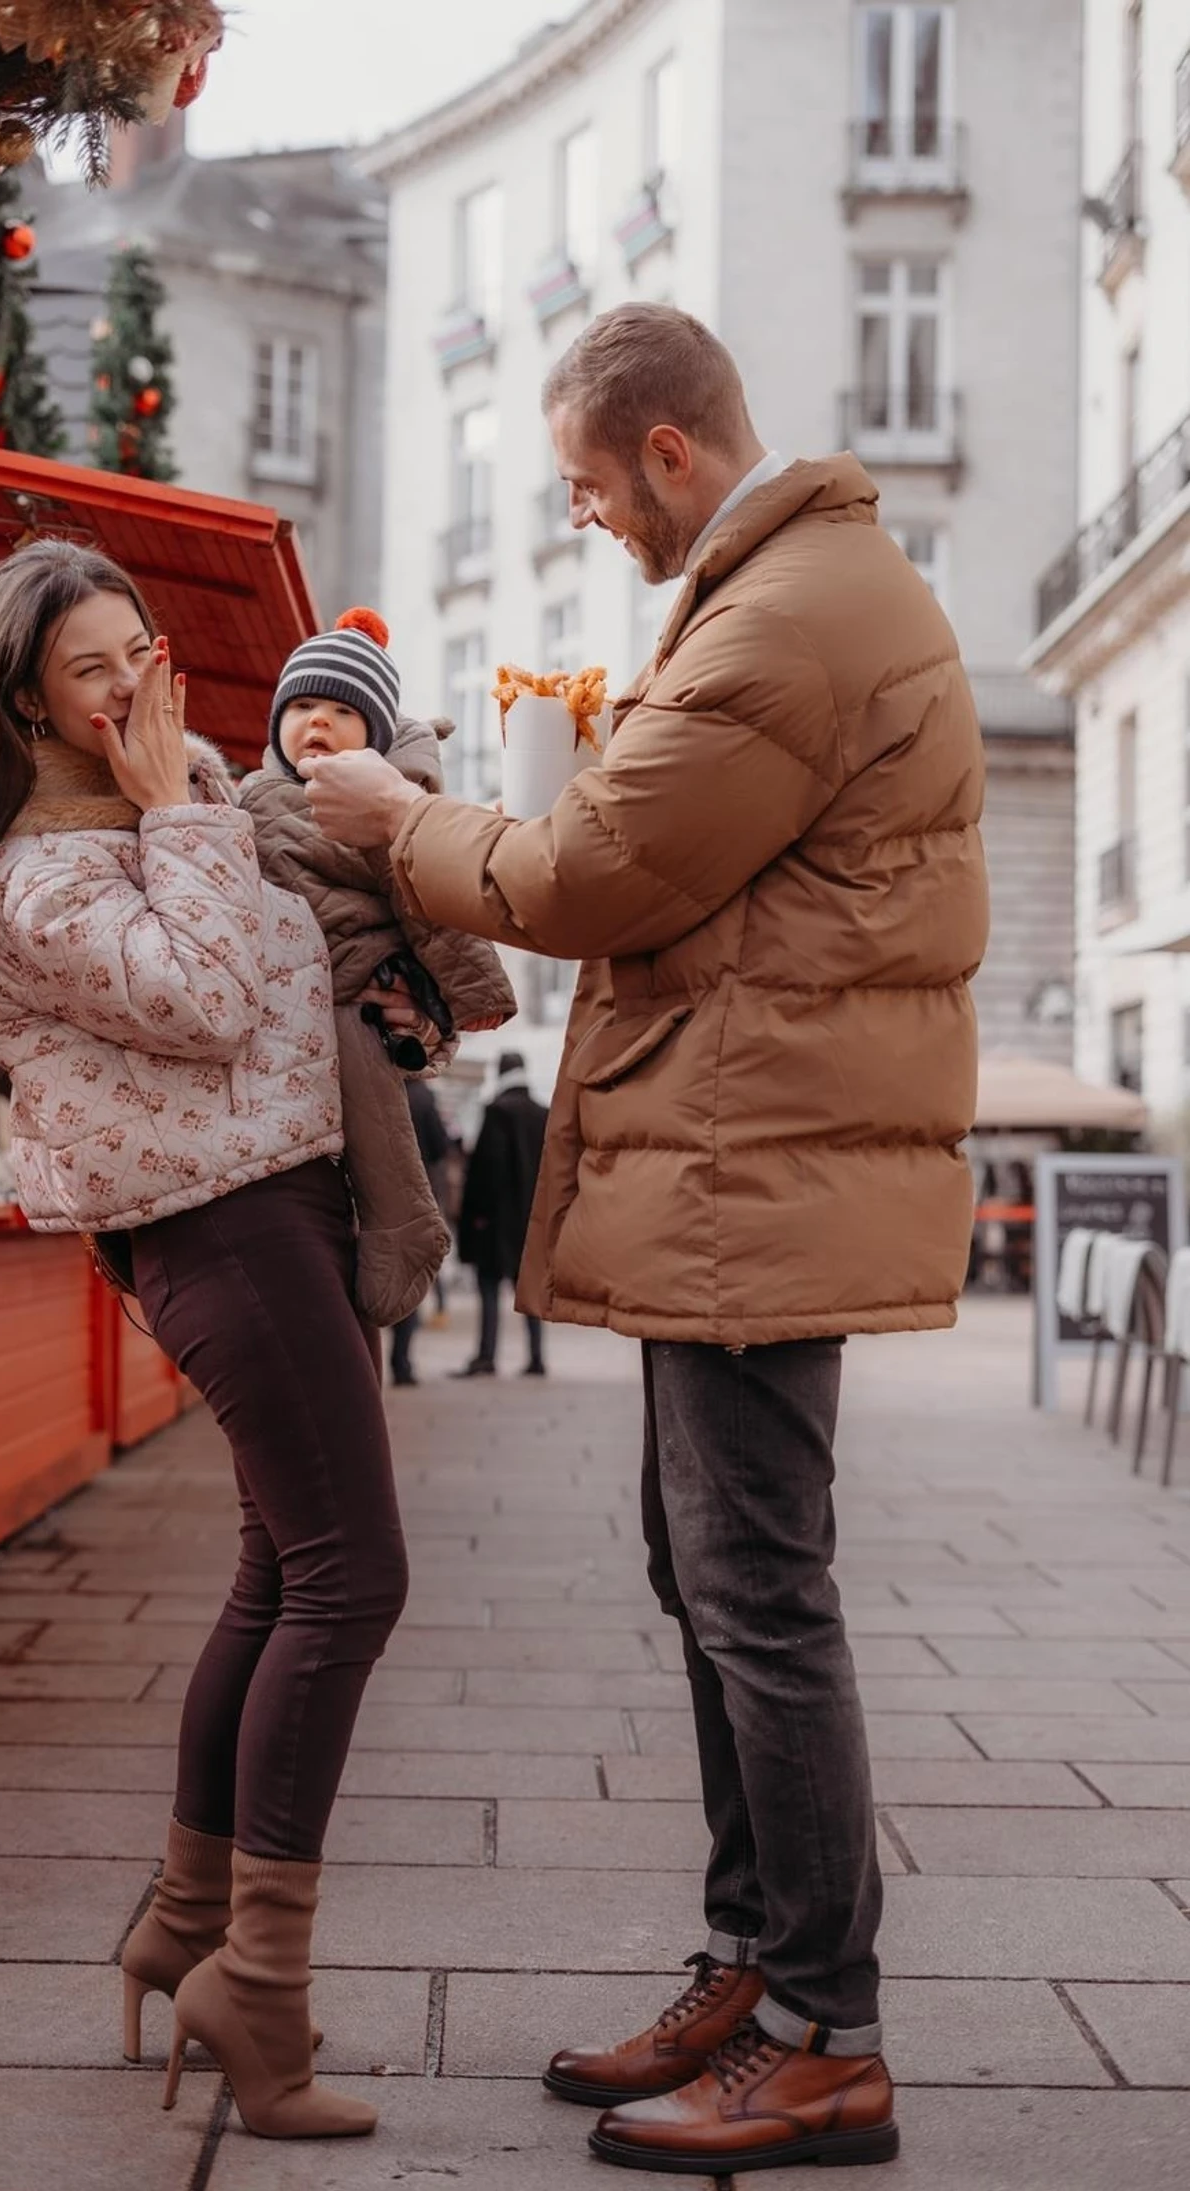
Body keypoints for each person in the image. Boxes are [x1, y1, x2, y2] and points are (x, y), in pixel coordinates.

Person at [300, 302, 988, 2176]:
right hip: (733, 1161)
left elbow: (587, 872)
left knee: (757, 1589)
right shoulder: (779, 597)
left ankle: (827, 2031)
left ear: (669, 455)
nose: (586, 517)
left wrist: (395, 816)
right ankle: (762, 1968)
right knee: (714, 1576)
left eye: (589, 486)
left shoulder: (786, 617)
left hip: (758, 1169)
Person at [0, 538, 418, 2144]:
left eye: (144, 652)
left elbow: (279, 970)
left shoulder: (164, 803)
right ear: (31, 707)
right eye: (95, 671)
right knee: (353, 1573)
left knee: (281, 1570)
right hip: (215, 1223)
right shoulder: (35, 872)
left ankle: (187, 1925)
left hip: (283, 1199)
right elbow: (202, 996)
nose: (140, 690)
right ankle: (262, 1987)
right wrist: (188, 814)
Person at [238, 607, 513, 1335]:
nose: (316, 723)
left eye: (339, 711)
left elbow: (426, 902)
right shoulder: (249, 799)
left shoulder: (377, 806)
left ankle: (404, 1221)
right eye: (300, 707)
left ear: (377, 737)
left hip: (358, 986)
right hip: (277, 1005)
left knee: (370, 1098)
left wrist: (469, 992)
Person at [453, 1050, 549, 1379]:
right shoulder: (543, 1113)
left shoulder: (496, 1112)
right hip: (533, 1220)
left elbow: (486, 1170)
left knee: (489, 1286)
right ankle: (537, 1358)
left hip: (497, 1221)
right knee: (530, 1289)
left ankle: (486, 1355)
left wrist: (476, 1214)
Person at [390, 1076, 455, 1386]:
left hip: (376, 1194)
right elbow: (441, 1147)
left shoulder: (377, 1081)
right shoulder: (424, 1096)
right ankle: (401, 1362)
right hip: (417, 1194)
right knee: (410, 1277)